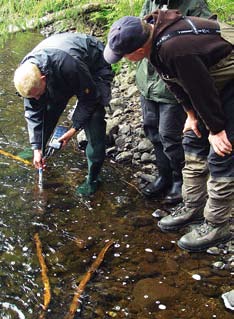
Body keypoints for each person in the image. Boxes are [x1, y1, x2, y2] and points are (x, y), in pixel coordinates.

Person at [104, 10, 234, 252]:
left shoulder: (175, 48)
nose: (122, 59)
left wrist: (216, 130)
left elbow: (201, 89)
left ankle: (217, 225)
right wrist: (191, 116)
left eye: (123, 55)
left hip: (228, 80)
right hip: (209, 78)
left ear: (137, 50)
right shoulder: (152, 40)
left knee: (222, 154)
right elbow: (174, 82)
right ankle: (193, 206)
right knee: (192, 140)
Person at [14, 32, 114, 196]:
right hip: (60, 69)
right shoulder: (26, 74)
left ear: (44, 78)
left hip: (93, 67)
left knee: (94, 119)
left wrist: (73, 129)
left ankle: (93, 178)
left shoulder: (70, 65)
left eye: (37, 93)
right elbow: (34, 110)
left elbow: (90, 99)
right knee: (47, 108)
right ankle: (41, 149)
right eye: (32, 96)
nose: (36, 98)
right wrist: (36, 147)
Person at [136, 0, 210, 204]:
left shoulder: (195, 4)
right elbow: (140, 30)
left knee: (169, 136)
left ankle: (180, 181)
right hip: (148, 80)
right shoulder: (150, 2)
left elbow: (205, 40)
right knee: (152, 131)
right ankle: (164, 176)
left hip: (173, 83)